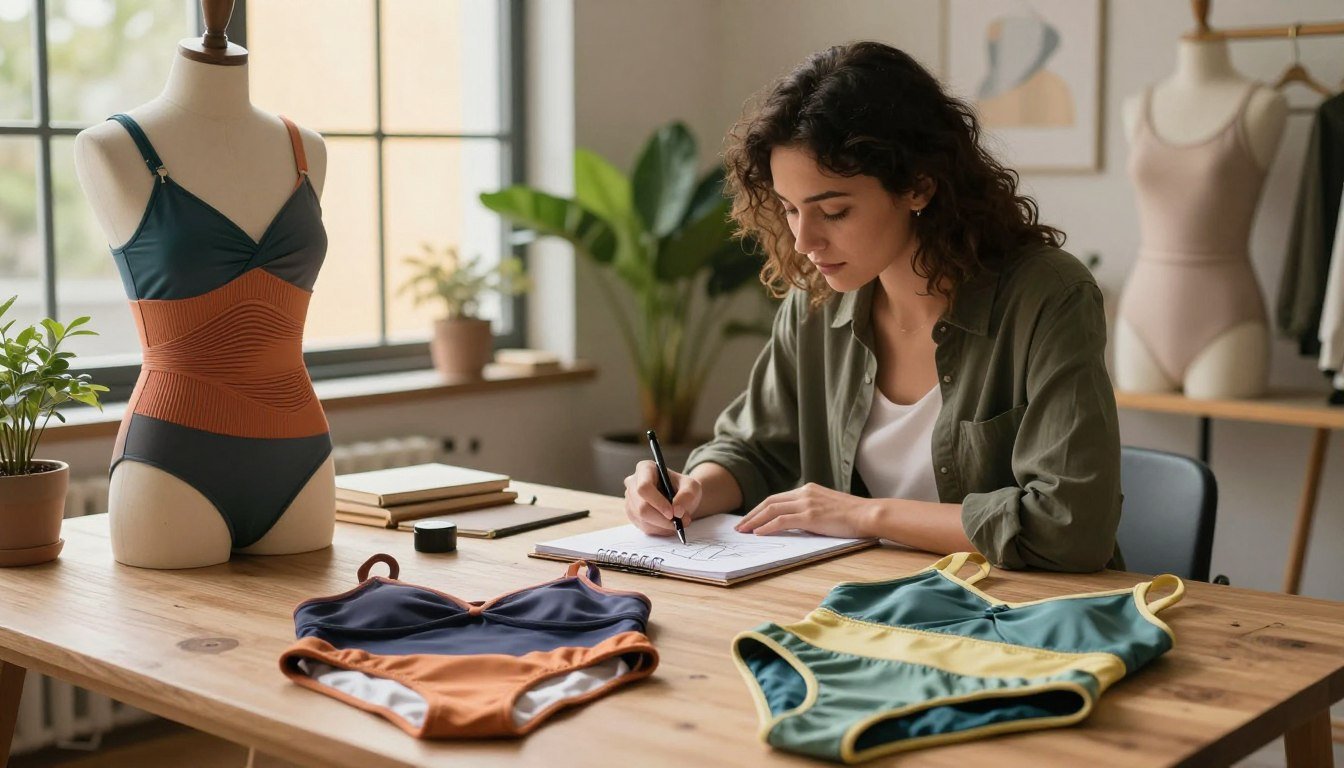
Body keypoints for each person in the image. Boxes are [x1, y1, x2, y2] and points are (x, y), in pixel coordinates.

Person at [622, 42, 1122, 572]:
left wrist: (867, 516)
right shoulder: (815, 302)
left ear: (918, 186)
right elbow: (756, 450)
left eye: (833, 211)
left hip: (1023, 612)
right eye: (790, 209)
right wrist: (692, 490)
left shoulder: (1047, 297)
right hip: (862, 602)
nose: (803, 241)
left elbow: (1070, 525)